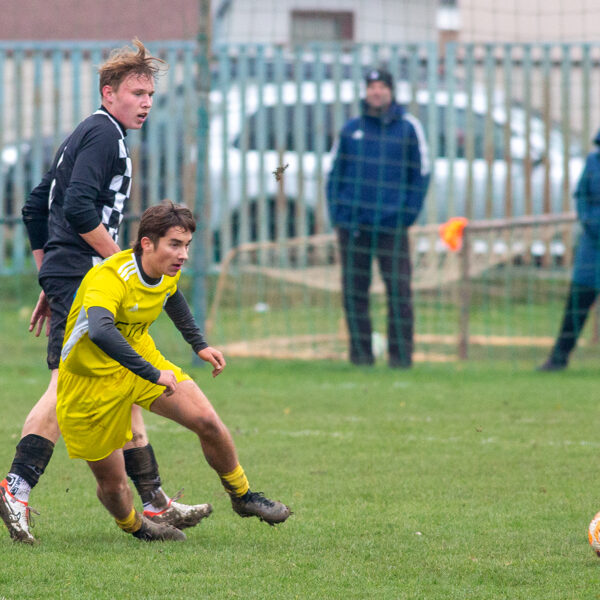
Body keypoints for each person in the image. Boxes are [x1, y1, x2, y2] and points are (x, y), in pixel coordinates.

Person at [0, 39, 209, 545]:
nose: (146, 103)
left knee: (125, 381)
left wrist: (51, 274)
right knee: (66, 386)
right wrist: (116, 267)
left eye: (151, 95)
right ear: (108, 93)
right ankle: (15, 486)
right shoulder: (102, 135)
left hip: (75, 275)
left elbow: (35, 207)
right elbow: (77, 209)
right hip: (86, 277)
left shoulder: (89, 132)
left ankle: (155, 501)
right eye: (137, 93)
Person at [55, 202, 291, 541]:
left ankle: (242, 496)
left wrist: (199, 344)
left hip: (139, 358)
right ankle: (137, 526)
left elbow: (172, 296)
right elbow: (101, 331)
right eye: (175, 244)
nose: (183, 255)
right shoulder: (110, 277)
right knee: (113, 484)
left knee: (207, 421)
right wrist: (153, 373)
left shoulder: (167, 271)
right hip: (89, 383)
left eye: (187, 245)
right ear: (147, 243)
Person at [326, 68, 431, 367]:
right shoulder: (351, 129)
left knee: (399, 291)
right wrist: (339, 216)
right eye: (372, 86)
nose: (376, 91)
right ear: (366, 91)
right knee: (354, 293)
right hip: (354, 227)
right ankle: (361, 357)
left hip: (392, 226)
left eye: (382, 86)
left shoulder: (408, 127)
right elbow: (333, 175)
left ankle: (401, 358)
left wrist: (406, 215)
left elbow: (422, 174)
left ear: (391, 91)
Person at [538, 130, 600, 371]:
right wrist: (590, 221)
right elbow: (581, 195)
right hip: (593, 243)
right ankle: (559, 358)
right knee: (578, 300)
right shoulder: (593, 161)